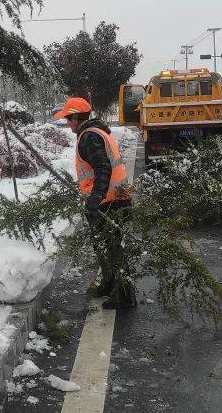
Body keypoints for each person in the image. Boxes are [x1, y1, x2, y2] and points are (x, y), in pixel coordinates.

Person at [53, 96, 136, 309]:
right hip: (111, 198)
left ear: (77, 118)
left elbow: (103, 167)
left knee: (112, 248)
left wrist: (96, 196)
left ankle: (124, 295)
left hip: (108, 201)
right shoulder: (95, 132)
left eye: (68, 118)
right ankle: (109, 284)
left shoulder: (90, 137)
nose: (67, 122)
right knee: (103, 245)